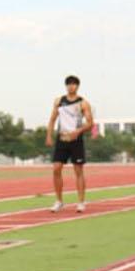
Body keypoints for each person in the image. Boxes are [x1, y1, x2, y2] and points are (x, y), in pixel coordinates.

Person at [46, 75, 94, 213]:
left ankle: (81, 202)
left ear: (77, 86)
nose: (71, 86)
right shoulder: (59, 101)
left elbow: (90, 123)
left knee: (78, 170)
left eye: (73, 84)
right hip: (62, 138)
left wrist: (77, 131)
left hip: (76, 140)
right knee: (56, 168)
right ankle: (59, 201)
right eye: (68, 84)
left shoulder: (83, 103)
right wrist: (49, 136)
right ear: (66, 86)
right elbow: (52, 119)